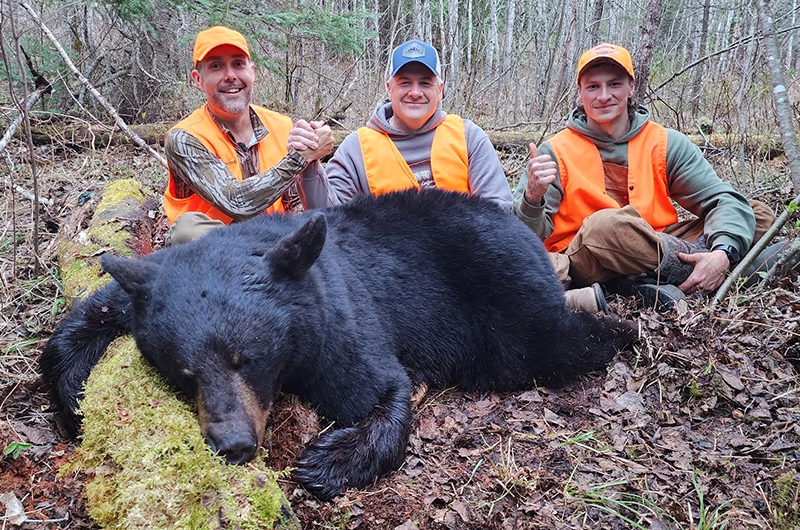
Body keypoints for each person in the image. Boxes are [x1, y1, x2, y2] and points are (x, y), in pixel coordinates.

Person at [298, 39, 605, 312]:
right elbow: (329, 222)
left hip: (468, 264)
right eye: (404, 82)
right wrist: (311, 166)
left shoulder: (468, 136)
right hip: (393, 276)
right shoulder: (356, 147)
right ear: (388, 87)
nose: (415, 92)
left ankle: (546, 307)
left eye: (425, 83)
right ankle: (557, 306)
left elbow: (499, 217)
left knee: (528, 262)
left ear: (440, 88)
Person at [513, 43, 775, 309]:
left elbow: (721, 199)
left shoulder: (664, 142)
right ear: (580, 93)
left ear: (631, 88)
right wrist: (532, 198)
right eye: (593, 87)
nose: (603, 96)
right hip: (586, 255)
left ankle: (647, 281)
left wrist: (723, 252)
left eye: (614, 84)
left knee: (753, 212)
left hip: (654, 243)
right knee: (605, 226)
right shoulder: (555, 150)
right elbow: (521, 238)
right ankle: (733, 269)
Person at [163, 26, 333, 245]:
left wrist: (310, 158)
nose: (230, 76)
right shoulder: (185, 137)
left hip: (275, 243)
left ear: (252, 71)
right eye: (216, 66)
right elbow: (236, 202)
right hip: (217, 251)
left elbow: (295, 206)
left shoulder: (280, 125)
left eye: (238, 64)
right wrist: (300, 157)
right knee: (187, 230)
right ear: (198, 79)